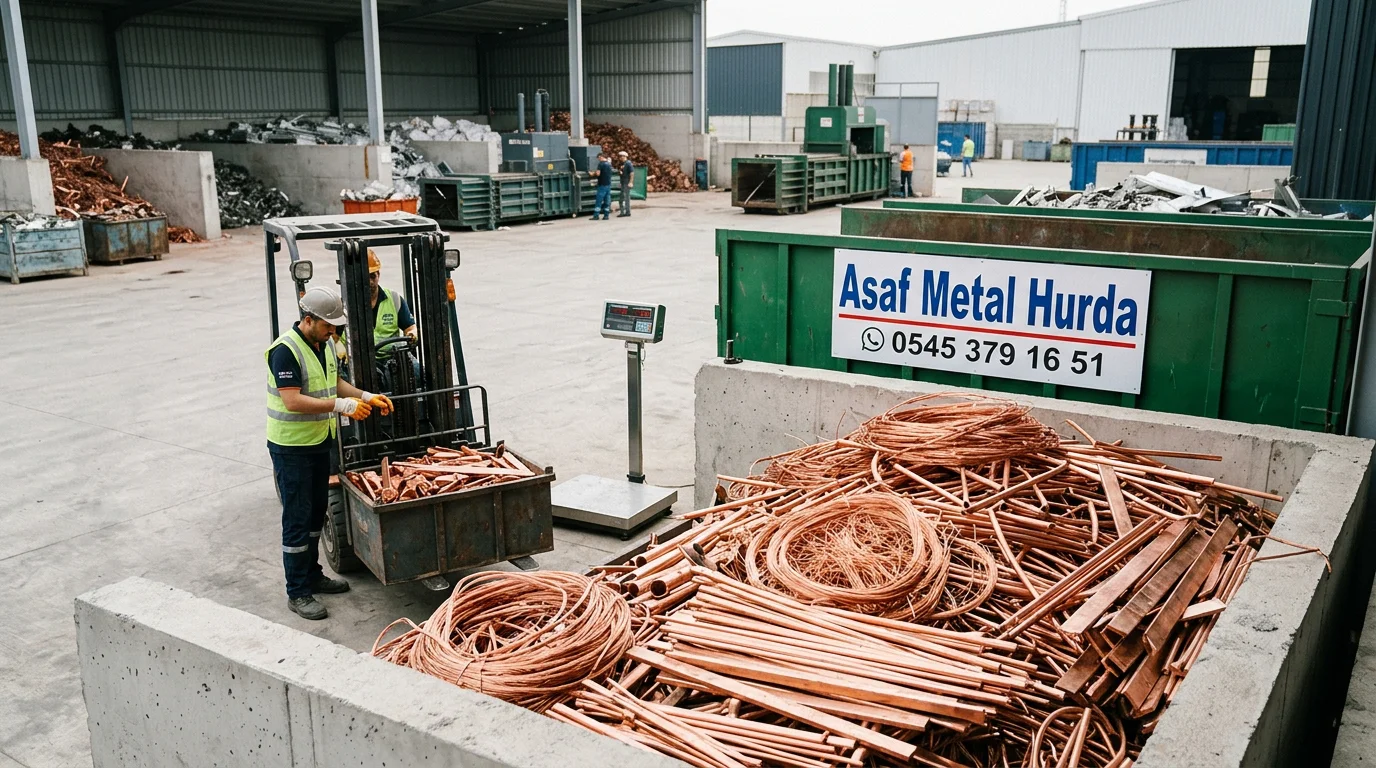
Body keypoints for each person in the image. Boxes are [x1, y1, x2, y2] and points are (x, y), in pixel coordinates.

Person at [267, 286, 393, 621]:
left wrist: (365, 396)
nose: (333, 332)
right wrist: (341, 406)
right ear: (308, 320)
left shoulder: (324, 345)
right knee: (297, 518)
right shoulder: (285, 351)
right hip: (291, 447)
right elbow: (292, 401)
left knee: (315, 513)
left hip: (319, 441)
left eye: (336, 327)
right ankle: (297, 591)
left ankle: (312, 575)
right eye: (328, 325)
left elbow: (334, 382)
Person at [590, 152, 613, 221]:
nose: (598, 159)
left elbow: (598, 173)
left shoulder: (601, 164)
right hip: (608, 184)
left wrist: (592, 173)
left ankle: (596, 216)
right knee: (607, 200)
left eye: (598, 158)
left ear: (601, 157)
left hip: (602, 185)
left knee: (599, 200)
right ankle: (606, 215)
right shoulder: (609, 164)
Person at [617, 150, 634, 217]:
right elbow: (621, 174)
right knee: (623, 198)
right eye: (620, 156)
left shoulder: (628, 163)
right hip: (623, 182)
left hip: (626, 182)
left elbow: (632, 173)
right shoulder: (622, 164)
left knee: (625, 198)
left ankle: (626, 212)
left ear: (625, 156)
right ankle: (625, 211)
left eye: (622, 156)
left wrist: (631, 182)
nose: (621, 158)